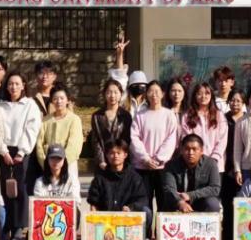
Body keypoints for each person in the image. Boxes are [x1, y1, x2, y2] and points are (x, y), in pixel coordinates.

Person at [0, 71, 42, 240]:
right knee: (4, 189)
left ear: (23, 85)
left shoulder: (30, 105)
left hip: (22, 152)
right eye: (10, 83)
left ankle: (18, 228)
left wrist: (21, 152)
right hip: (4, 152)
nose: (13, 87)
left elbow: (32, 129)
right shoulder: (0, 106)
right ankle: (6, 226)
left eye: (17, 83)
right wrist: (3, 151)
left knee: (20, 190)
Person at [130, 80, 179, 214]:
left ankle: (161, 228)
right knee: (144, 204)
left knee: (164, 203)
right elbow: (134, 138)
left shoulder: (169, 115)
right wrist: (145, 158)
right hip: (142, 167)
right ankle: (147, 227)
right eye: (151, 91)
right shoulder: (140, 116)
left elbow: (171, 139)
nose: (154, 94)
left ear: (163, 94)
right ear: (146, 94)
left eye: (157, 91)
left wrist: (159, 159)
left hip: (163, 167)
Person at [86, 139, 149, 231]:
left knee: (147, 212)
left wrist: (130, 208)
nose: (115, 156)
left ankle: (145, 237)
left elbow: (142, 199)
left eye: (119, 153)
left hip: (128, 219)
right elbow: (93, 203)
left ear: (125, 155)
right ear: (107, 155)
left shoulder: (135, 178)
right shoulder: (99, 178)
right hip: (106, 221)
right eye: (112, 153)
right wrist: (94, 219)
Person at [35, 84, 84, 190]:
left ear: (67, 100)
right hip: (48, 165)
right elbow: (39, 144)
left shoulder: (74, 120)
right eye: (55, 98)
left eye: (62, 98)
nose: (59, 101)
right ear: (52, 101)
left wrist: (62, 163)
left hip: (68, 165)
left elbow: (74, 145)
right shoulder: (45, 120)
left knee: (69, 193)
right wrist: (46, 163)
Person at [160, 134, 221, 213]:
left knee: (213, 204)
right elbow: (169, 188)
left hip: (201, 200)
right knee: (168, 200)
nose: (190, 153)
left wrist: (190, 195)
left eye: (194, 149)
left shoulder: (211, 164)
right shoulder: (171, 165)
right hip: (178, 200)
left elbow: (215, 188)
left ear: (201, 151)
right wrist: (180, 202)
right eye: (187, 149)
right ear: (181, 150)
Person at [180, 82, 228, 174]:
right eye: (199, 93)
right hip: (194, 164)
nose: (203, 96)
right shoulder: (187, 116)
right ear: (195, 96)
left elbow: (222, 140)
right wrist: (197, 158)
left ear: (211, 95)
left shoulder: (219, 115)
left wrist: (214, 158)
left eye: (207, 93)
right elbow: (186, 139)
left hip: (216, 165)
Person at [87, 79, 132, 172]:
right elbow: (96, 141)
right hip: (104, 161)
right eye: (109, 92)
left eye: (116, 92)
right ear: (104, 94)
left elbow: (126, 139)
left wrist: (119, 157)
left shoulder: (126, 116)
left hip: (121, 161)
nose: (112, 96)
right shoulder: (97, 116)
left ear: (121, 94)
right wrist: (101, 160)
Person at [221, 88, 245, 240]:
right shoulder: (223, 119)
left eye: (238, 101)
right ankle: (228, 238)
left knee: (242, 203)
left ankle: (242, 237)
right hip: (226, 166)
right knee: (227, 203)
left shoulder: (247, 119)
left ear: (243, 103)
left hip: (245, 166)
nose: (235, 103)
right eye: (232, 100)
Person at [107, 36, 148, 117]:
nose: (139, 87)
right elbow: (120, 76)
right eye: (136, 85)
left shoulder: (150, 102)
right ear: (130, 86)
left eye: (142, 85)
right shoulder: (124, 98)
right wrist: (120, 54)